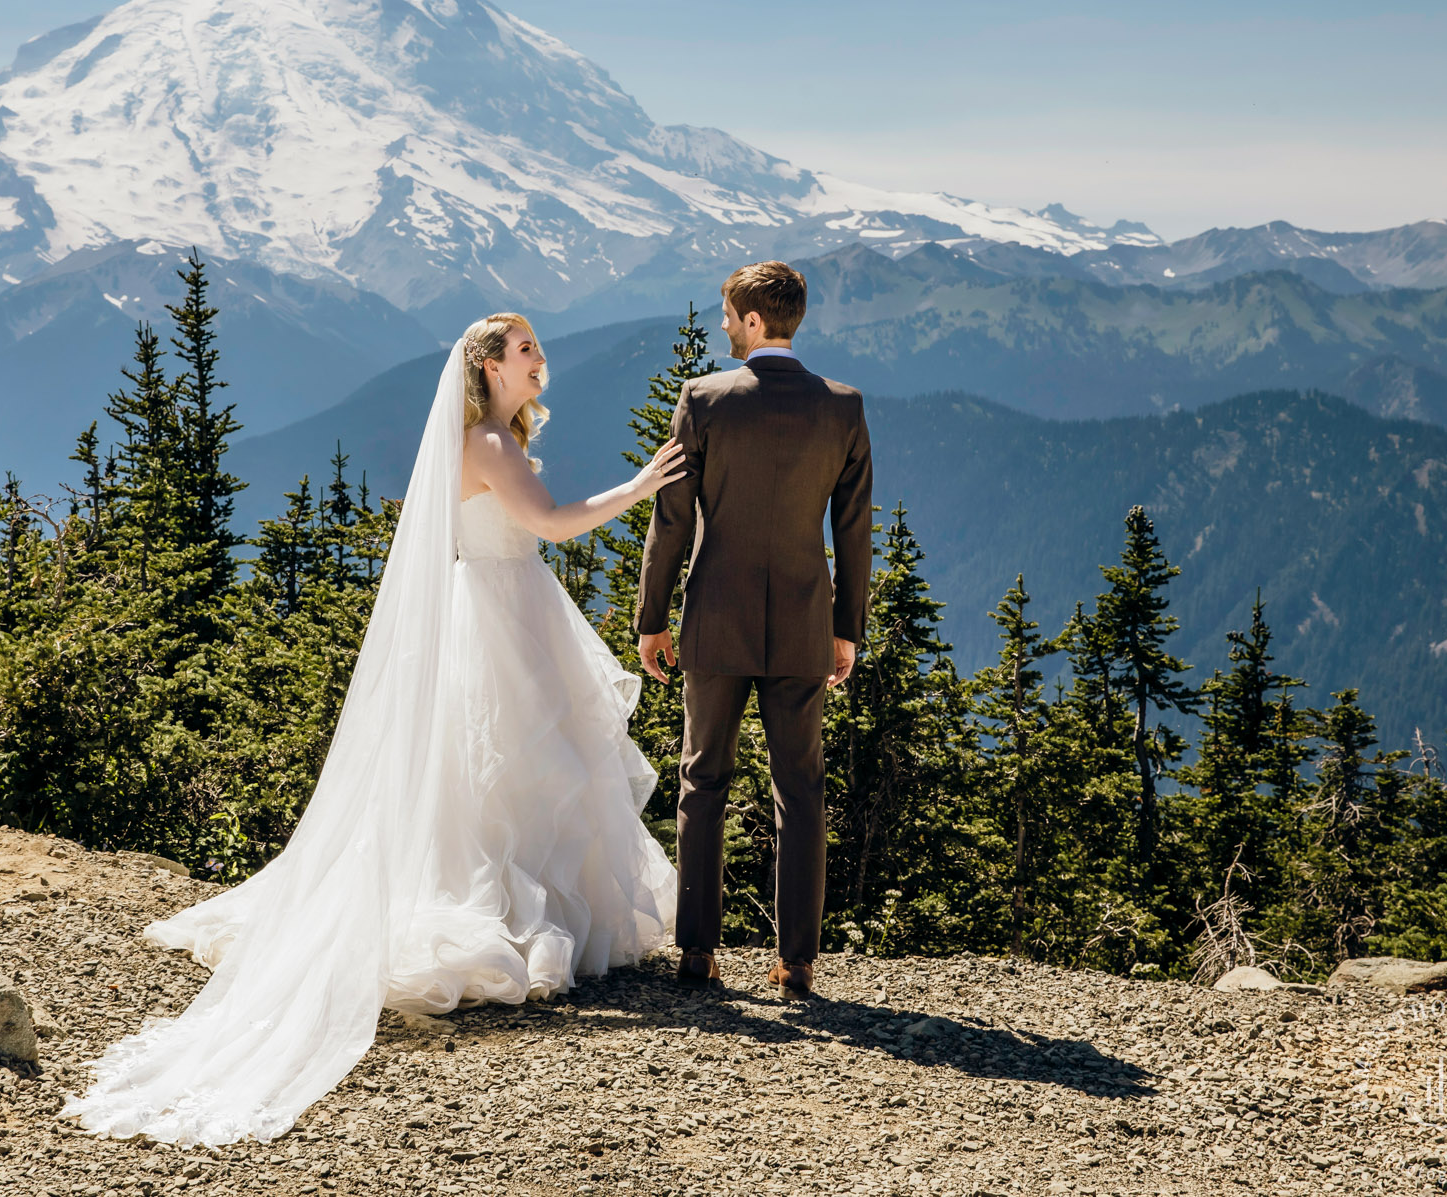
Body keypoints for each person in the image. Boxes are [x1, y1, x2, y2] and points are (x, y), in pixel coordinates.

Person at [64, 312, 683, 1147]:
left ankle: (537, 901)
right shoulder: (490, 445)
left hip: (507, 609)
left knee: (513, 767)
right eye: (526, 349)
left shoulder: (493, 434)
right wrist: (643, 484)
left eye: (537, 346)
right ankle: (519, 906)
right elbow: (551, 524)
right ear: (490, 367)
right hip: (504, 612)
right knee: (518, 762)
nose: (542, 359)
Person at [637, 260, 873, 1002]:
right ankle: (797, 962)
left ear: (749, 320)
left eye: (726, 314)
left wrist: (651, 619)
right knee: (800, 789)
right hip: (805, 621)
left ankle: (697, 951)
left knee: (702, 778)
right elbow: (855, 528)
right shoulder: (843, 406)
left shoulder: (703, 399)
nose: (721, 326)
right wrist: (847, 629)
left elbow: (672, 518)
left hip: (716, 617)